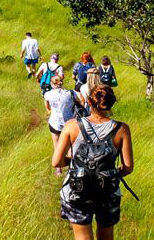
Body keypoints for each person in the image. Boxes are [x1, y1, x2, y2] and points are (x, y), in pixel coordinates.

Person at [52, 85, 133, 240]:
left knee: (82, 236)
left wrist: (72, 161)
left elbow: (56, 162)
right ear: (112, 103)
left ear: (89, 102)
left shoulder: (71, 126)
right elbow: (128, 168)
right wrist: (109, 174)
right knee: (106, 236)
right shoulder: (122, 129)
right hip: (107, 190)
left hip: (77, 191)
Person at [44, 73, 79, 176]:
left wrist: (51, 111)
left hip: (55, 123)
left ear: (52, 84)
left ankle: (58, 169)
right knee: (70, 146)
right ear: (61, 82)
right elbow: (80, 101)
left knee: (56, 145)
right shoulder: (70, 93)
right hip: (69, 123)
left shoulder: (48, 94)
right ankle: (71, 168)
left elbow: (48, 107)